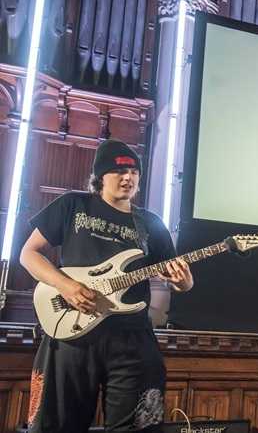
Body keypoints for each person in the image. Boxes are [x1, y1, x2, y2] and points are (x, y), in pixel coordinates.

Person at [20, 140, 193, 432]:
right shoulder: (73, 205)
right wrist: (66, 285)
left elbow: (178, 278)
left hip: (131, 339)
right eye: (118, 171)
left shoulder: (149, 223)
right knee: (58, 425)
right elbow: (29, 253)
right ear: (100, 176)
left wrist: (184, 282)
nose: (128, 178)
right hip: (72, 333)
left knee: (138, 426)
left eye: (134, 172)